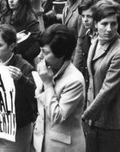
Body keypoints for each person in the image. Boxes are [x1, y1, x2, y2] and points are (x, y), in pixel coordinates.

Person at [82, 0, 120, 152]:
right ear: (95, 24)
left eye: (114, 24)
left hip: (116, 123)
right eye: (104, 23)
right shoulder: (96, 43)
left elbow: (108, 90)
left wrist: (85, 115)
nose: (109, 29)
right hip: (97, 119)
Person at [33, 23, 86, 151]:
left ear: (61, 54)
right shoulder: (46, 68)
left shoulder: (75, 80)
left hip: (63, 146)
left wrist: (47, 84)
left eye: (45, 52)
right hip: (41, 142)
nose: (40, 56)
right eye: (40, 50)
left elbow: (58, 116)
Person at [0, 24, 37, 151]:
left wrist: (22, 79)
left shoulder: (24, 67)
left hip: (17, 128)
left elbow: (36, 95)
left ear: (11, 46)